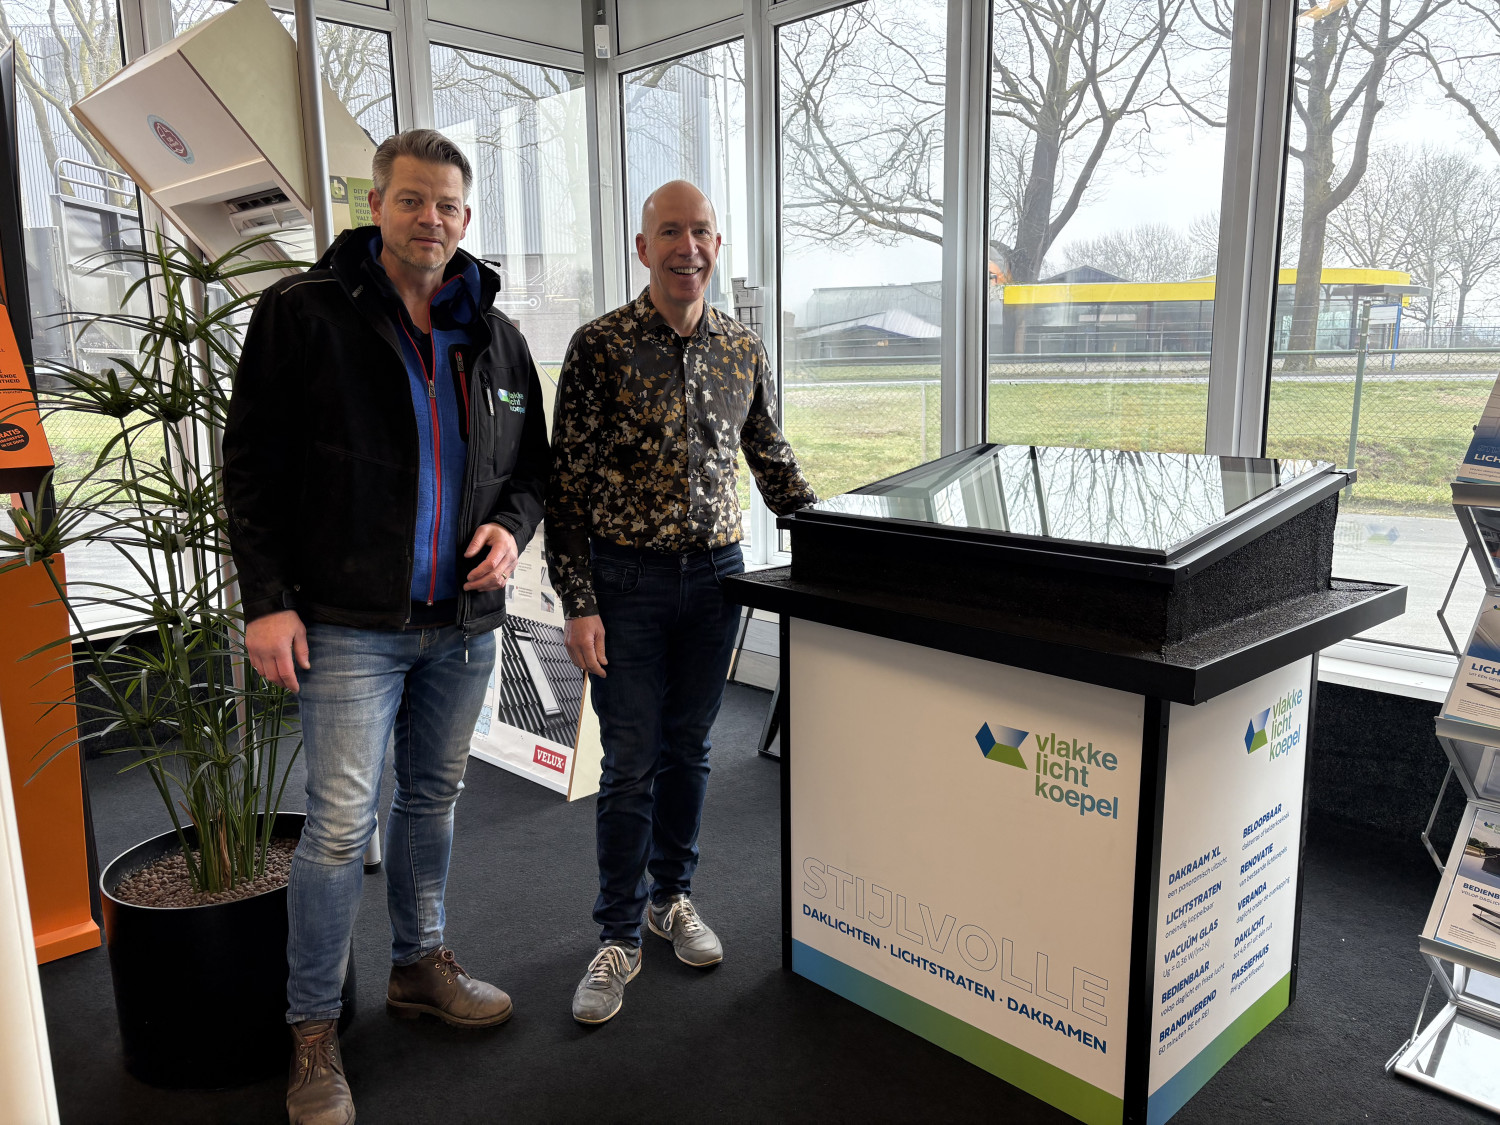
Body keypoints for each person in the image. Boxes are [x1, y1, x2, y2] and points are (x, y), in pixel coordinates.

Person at [224, 129, 550, 1125]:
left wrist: (510, 530)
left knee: (433, 801)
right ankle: (313, 1029)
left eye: (448, 205)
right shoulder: (303, 312)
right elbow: (252, 467)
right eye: (412, 200)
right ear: (376, 206)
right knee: (336, 830)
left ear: (465, 216)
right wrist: (266, 599)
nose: (430, 220)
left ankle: (418, 965)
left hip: (462, 623)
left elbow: (530, 469)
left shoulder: (494, 332)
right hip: (347, 625)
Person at [547, 179, 816, 1025]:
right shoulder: (599, 347)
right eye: (670, 232)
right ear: (643, 248)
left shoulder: (742, 347)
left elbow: (771, 460)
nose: (686, 247)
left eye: (700, 231)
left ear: (717, 244)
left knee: (690, 750)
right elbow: (566, 489)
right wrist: (579, 600)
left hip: (714, 580)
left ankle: (672, 899)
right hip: (622, 583)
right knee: (630, 760)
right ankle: (617, 935)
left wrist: (839, 538)